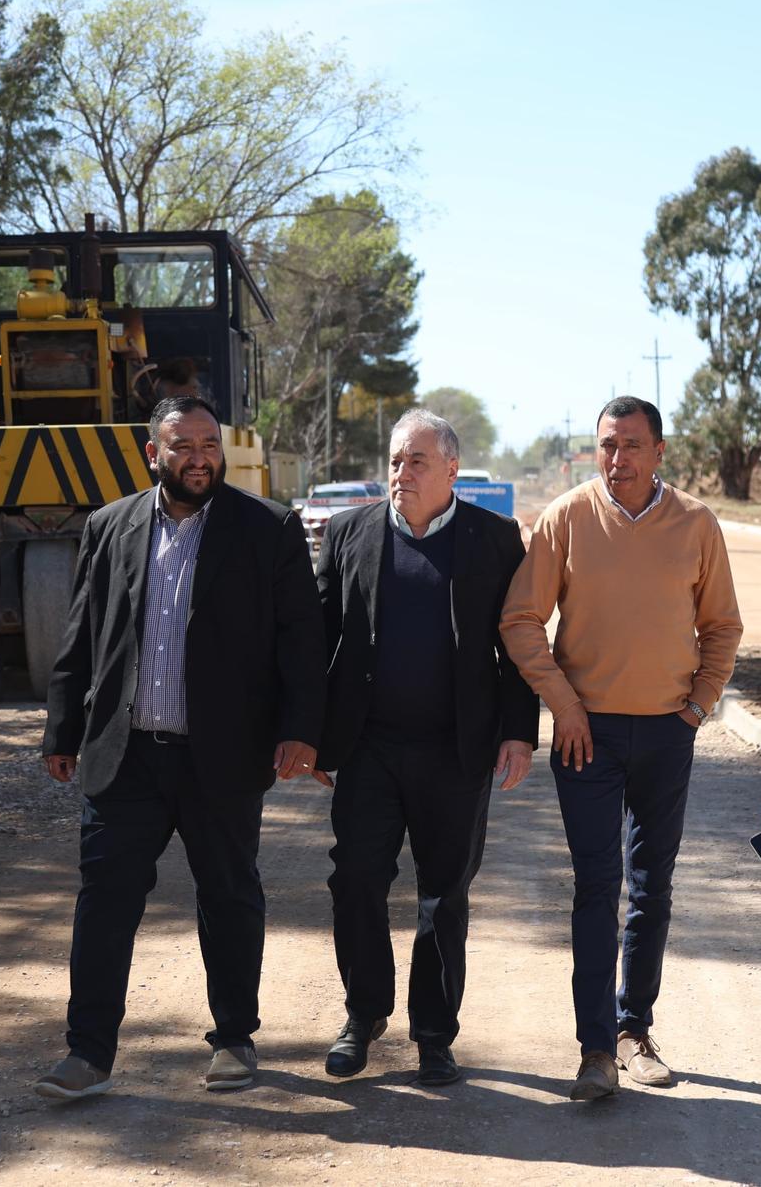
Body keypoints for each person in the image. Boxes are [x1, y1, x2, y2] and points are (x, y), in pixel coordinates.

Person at [32, 395, 326, 1102]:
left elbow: (302, 641)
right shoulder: (109, 526)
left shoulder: (267, 529)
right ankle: (89, 1053)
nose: (199, 457)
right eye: (182, 445)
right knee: (104, 900)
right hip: (126, 753)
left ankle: (233, 1039)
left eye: (208, 443)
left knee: (228, 895)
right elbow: (83, 636)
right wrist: (63, 728)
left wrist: (302, 728)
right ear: (152, 453)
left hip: (220, 754)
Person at [500, 395, 743, 1101]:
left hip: (669, 732)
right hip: (587, 737)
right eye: (608, 445)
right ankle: (596, 1049)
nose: (618, 458)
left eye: (632, 445)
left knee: (652, 888)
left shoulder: (697, 523)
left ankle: (636, 1028)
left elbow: (722, 626)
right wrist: (564, 703)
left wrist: (699, 704)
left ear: (659, 452)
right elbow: (520, 620)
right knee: (596, 887)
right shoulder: (567, 517)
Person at [311, 409, 539, 1087]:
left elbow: (516, 645)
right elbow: (320, 639)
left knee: (444, 895)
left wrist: (520, 731)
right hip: (369, 748)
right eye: (393, 460)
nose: (400, 473)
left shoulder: (495, 540)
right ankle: (363, 1016)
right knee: (355, 880)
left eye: (415, 461)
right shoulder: (351, 532)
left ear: (450, 469)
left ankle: (435, 1035)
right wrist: (313, 736)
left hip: (455, 751)